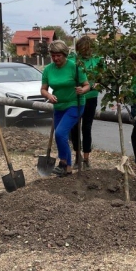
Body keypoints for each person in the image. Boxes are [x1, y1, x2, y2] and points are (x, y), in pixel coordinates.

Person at [40, 40, 90, 177]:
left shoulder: (74, 67)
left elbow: (87, 85)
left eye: (58, 56)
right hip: (59, 106)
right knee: (60, 137)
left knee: (61, 133)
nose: (55, 58)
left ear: (64, 55)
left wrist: (82, 90)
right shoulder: (48, 69)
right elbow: (43, 89)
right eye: (53, 56)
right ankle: (68, 169)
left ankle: (62, 163)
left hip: (75, 104)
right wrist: (49, 95)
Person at [69, 36, 103, 168]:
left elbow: (102, 76)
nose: (85, 53)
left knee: (86, 128)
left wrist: (98, 83)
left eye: (87, 51)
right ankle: (77, 156)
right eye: (82, 51)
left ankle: (86, 158)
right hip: (76, 97)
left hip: (91, 97)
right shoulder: (73, 60)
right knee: (74, 127)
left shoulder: (97, 60)